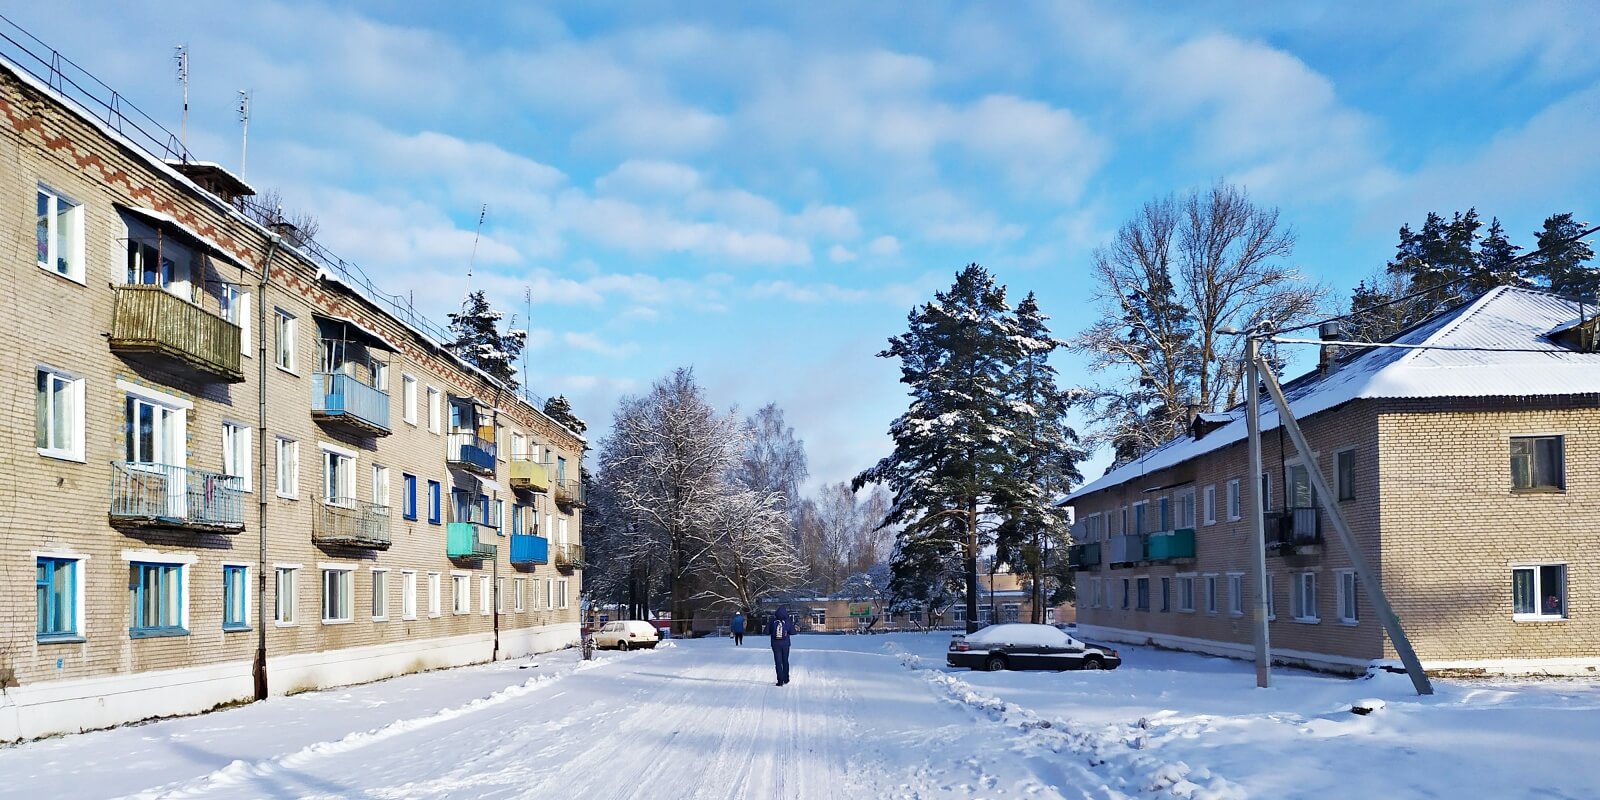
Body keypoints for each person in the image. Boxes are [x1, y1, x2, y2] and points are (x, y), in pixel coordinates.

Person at [767, 605, 795, 686]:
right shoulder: (787, 621)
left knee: (778, 662)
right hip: (785, 644)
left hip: (775, 644)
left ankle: (780, 681)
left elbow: (766, 631)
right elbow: (793, 632)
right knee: (785, 661)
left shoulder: (772, 620)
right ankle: (786, 678)